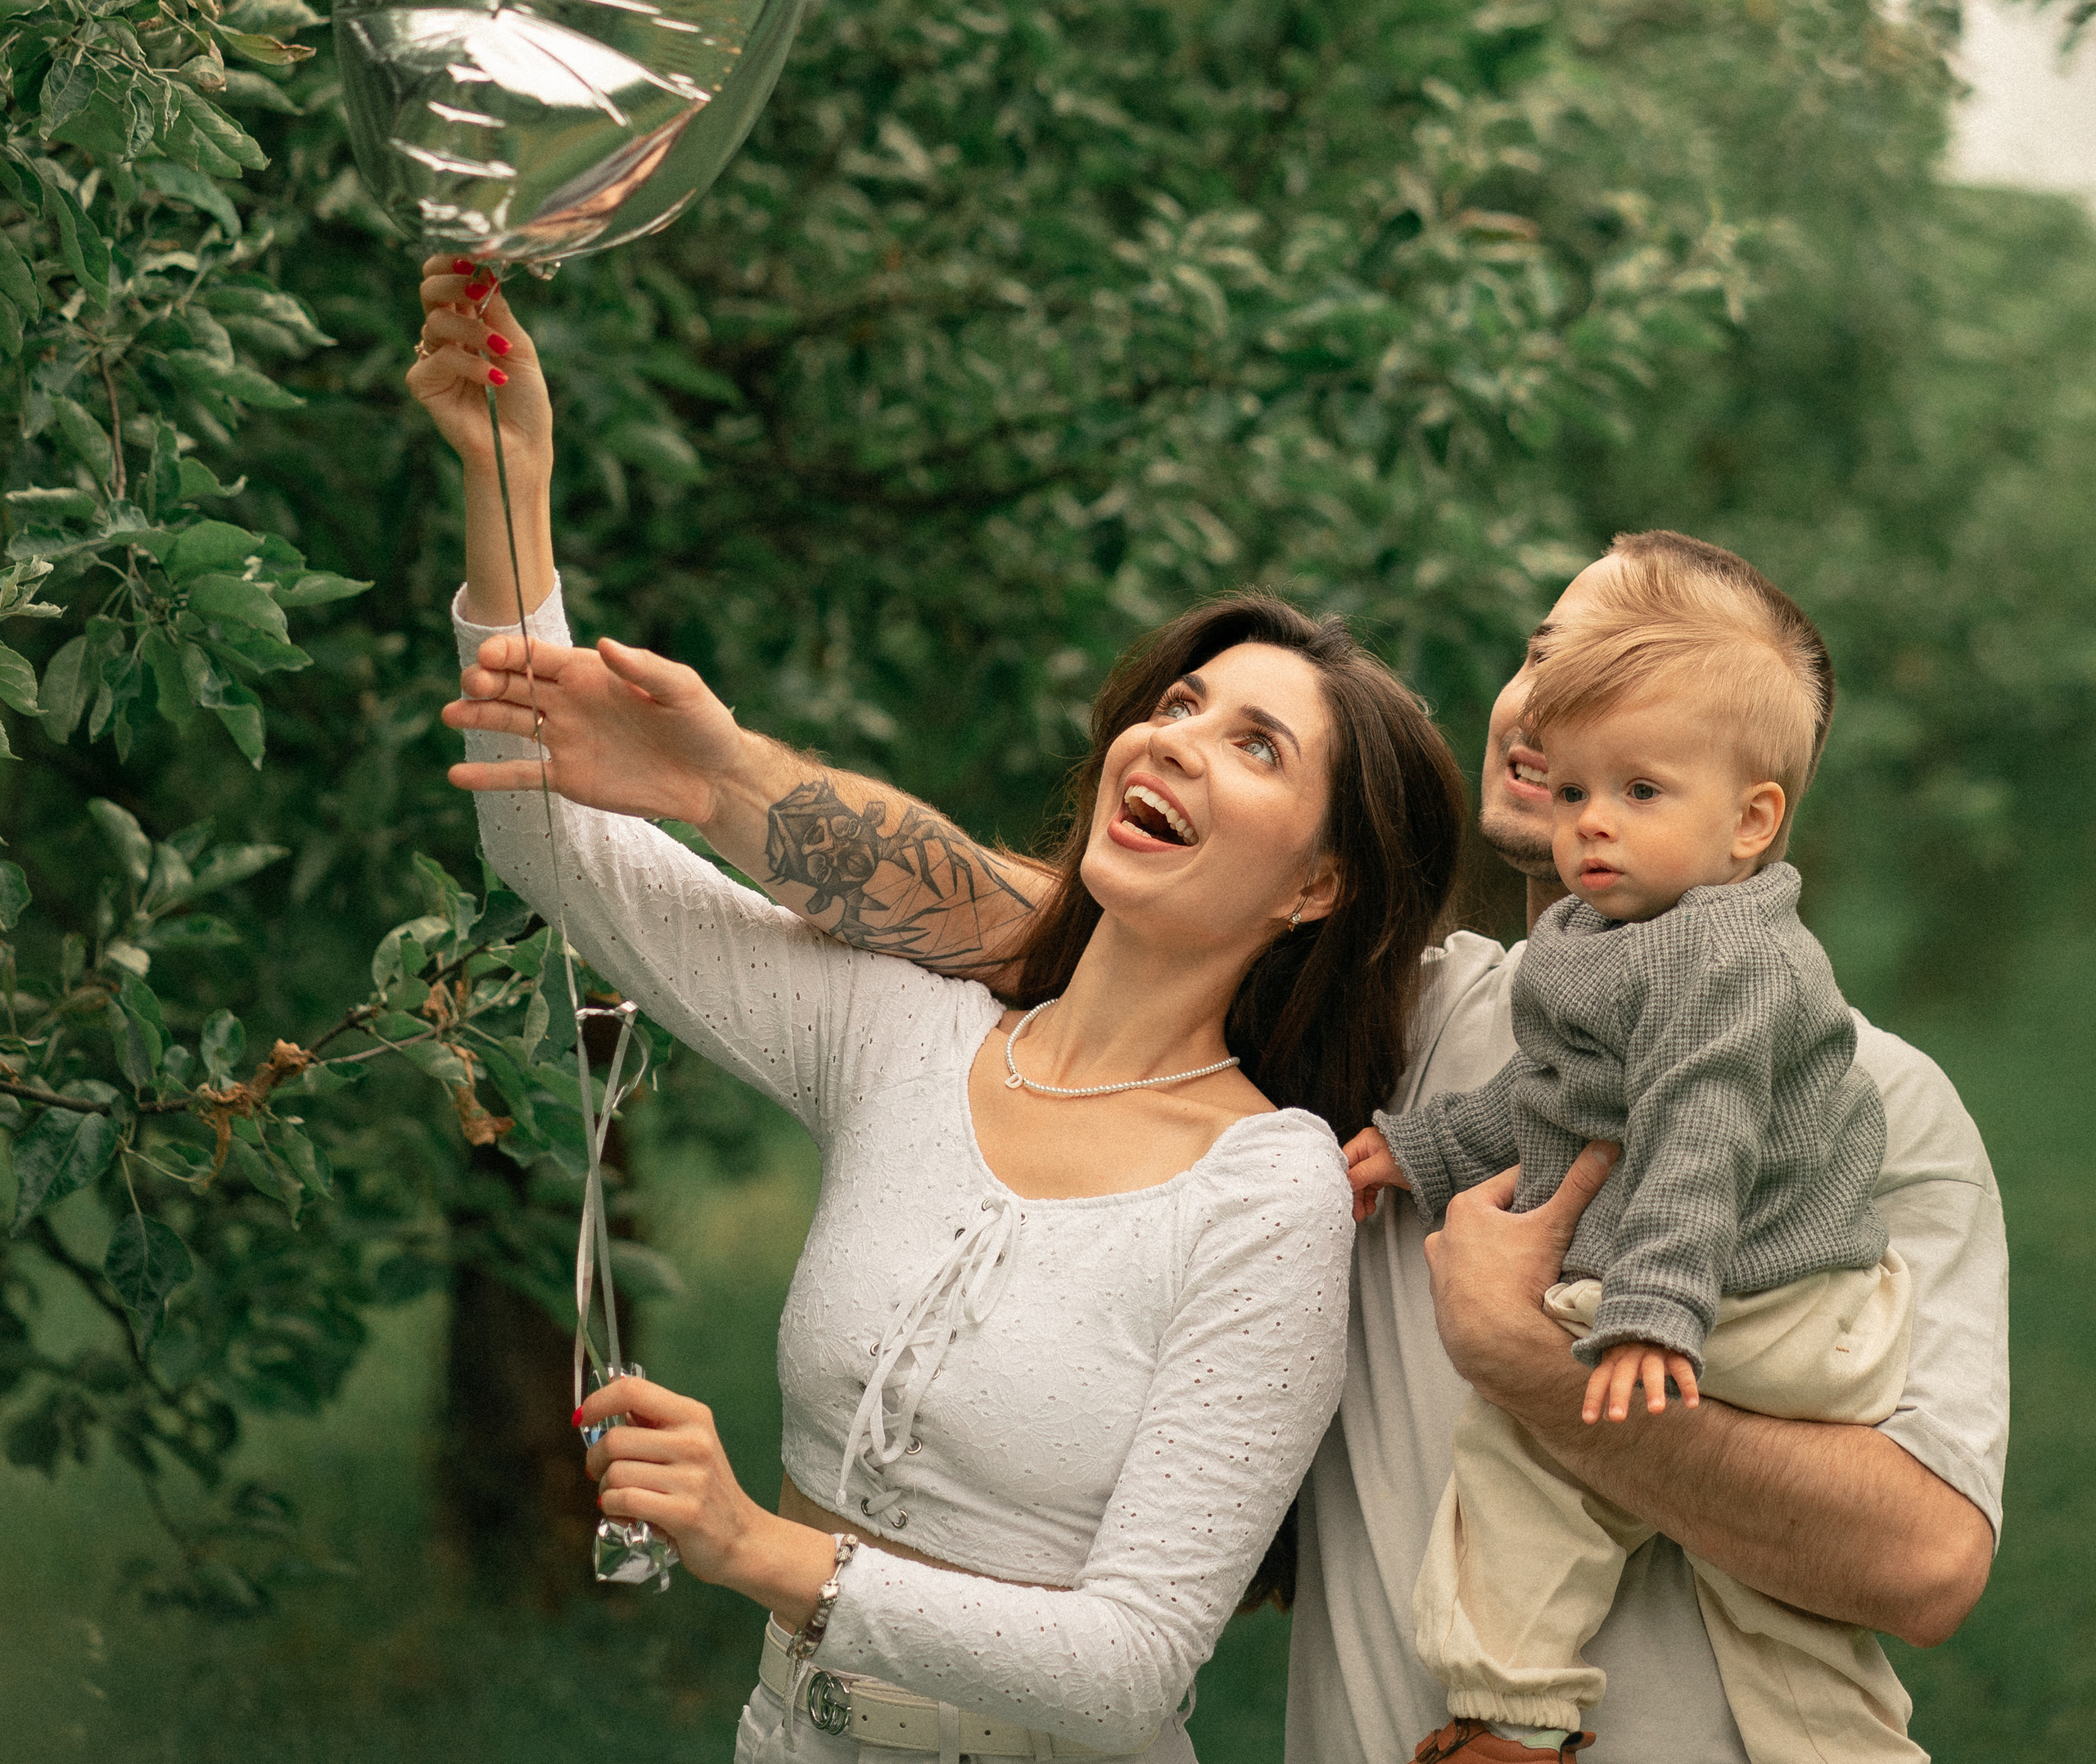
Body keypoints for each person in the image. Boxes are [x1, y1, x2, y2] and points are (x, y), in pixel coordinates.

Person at [409, 270, 2007, 1764]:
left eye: (1628, 683)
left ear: (1749, 807)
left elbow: (1929, 1558)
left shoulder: (1861, 1108)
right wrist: (523, 525)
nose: (1555, 699)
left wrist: (1528, 1362)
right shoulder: (1423, 1029)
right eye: (1544, 655)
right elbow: (1024, 915)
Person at [406, 256, 1469, 1763]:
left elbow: (1130, 1662)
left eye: (1256, 746)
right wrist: (513, 497)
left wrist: (758, 1548)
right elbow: (551, 848)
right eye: (1176, 705)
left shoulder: (1268, 1188)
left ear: (1317, 889)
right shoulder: (909, 1034)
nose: (1177, 743)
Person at [1344, 553, 1922, 1762]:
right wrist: (1422, 1147)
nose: (1593, 822)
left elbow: (1699, 1130)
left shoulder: (1728, 958)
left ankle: (1513, 1717)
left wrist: (1653, 1308)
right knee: (1778, 1604)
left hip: (1765, 1297)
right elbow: (1550, 1100)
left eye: (1641, 792)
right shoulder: (1596, 935)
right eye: (1578, 793)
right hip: (1753, 1297)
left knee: (1523, 1459)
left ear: (1750, 821)